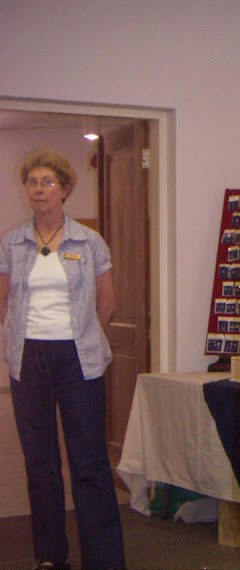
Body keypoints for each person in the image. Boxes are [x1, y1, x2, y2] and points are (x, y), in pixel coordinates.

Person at [0, 148, 126, 570]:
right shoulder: (12, 243)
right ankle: (50, 557)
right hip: (28, 359)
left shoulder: (89, 242)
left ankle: (104, 560)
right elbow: (4, 303)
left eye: (47, 182)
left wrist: (82, 338)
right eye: (33, 182)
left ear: (65, 189)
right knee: (40, 463)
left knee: (89, 461)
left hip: (79, 360)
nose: (39, 190)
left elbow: (106, 305)